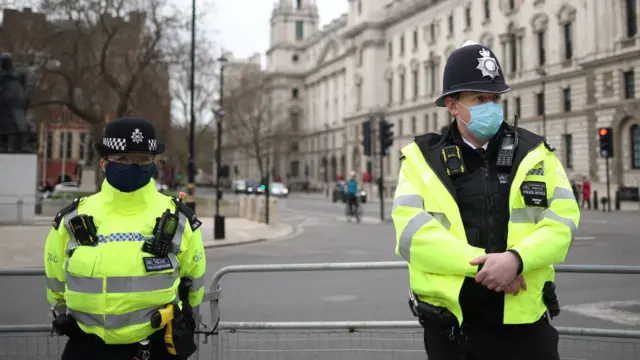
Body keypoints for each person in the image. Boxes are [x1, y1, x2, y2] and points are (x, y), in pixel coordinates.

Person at [391, 40, 580, 360]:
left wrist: (516, 260)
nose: (490, 106)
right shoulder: (421, 160)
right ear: (452, 105)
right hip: (453, 332)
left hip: (526, 329)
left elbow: (562, 222)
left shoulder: (536, 154)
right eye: (479, 98)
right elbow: (412, 234)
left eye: (494, 98)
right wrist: (489, 266)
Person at [44, 117, 206, 360]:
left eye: (143, 159)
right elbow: (55, 280)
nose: (134, 165)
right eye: (123, 159)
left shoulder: (178, 219)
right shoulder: (73, 219)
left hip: (155, 347)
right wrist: (62, 313)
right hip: (87, 348)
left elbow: (193, 284)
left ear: (154, 163)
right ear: (103, 163)